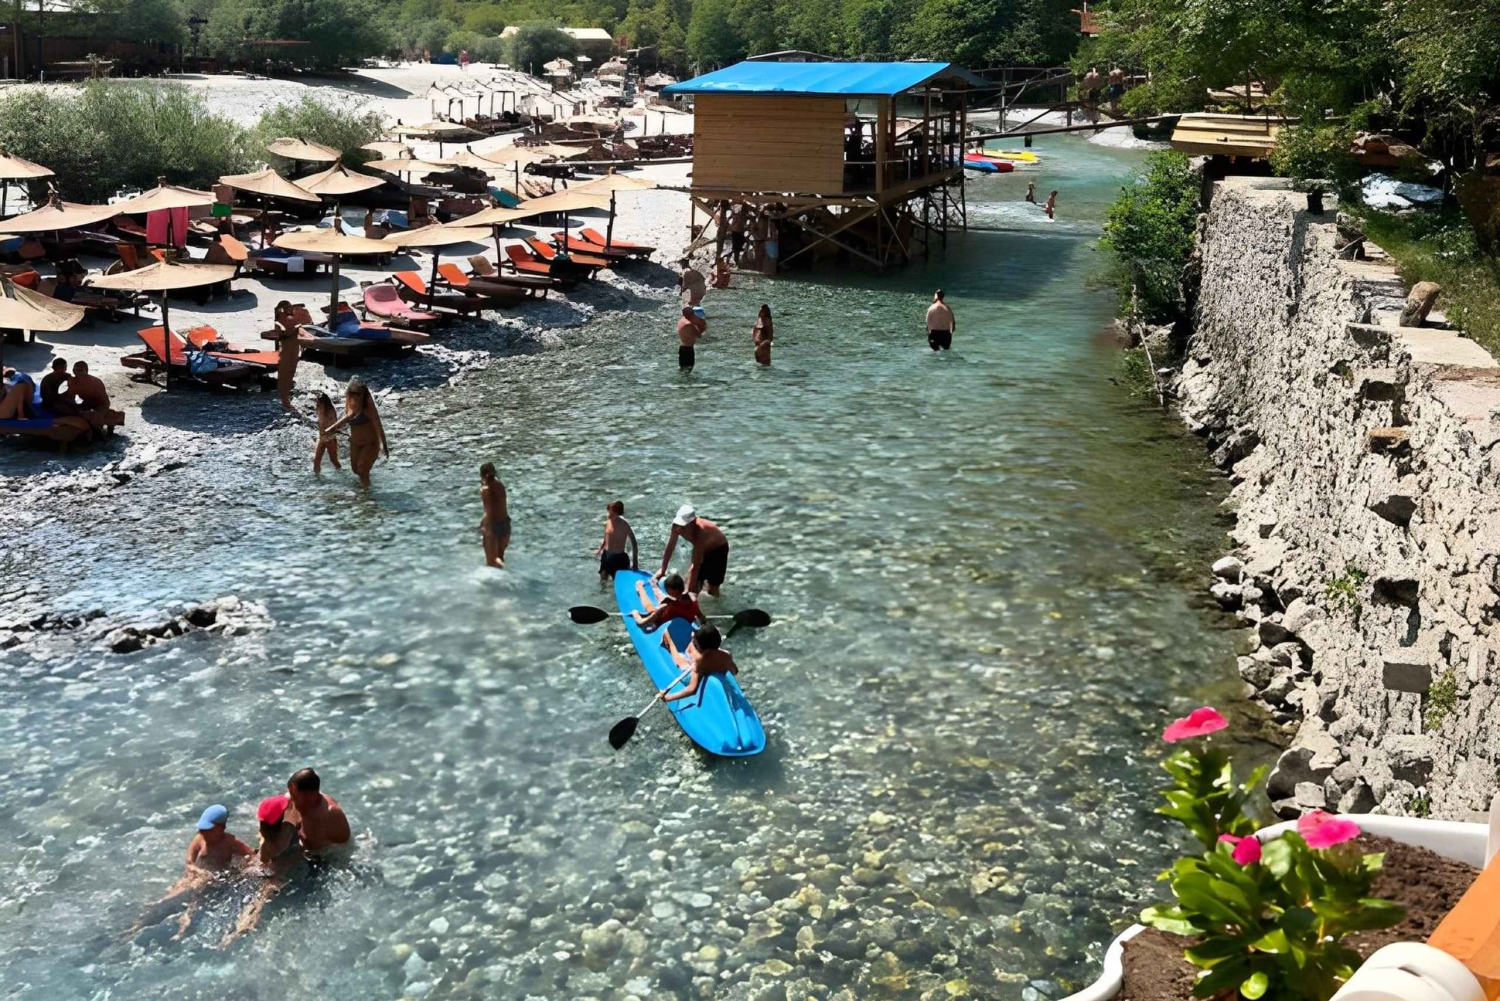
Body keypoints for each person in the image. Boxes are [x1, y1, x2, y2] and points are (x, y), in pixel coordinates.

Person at [129, 804, 253, 940]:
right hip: (194, 876)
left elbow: (251, 856)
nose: (204, 832)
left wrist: (240, 871)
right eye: (202, 829)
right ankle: (137, 925)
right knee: (168, 899)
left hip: (213, 880)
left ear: (221, 828)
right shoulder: (199, 839)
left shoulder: (230, 843)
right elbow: (189, 863)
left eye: (208, 830)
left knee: (195, 905)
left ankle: (182, 930)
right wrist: (197, 871)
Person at [219, 795, 302, 946]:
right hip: (273, 872)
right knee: (258, 904)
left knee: (249, 900)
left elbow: (263, 855)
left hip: (254, 865)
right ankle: (239, 932)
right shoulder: (286, 834)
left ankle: (231, 935)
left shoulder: (266, 837)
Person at [321, 377, 388, 488]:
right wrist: (331, 429)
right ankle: (366, 488)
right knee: (355, 470)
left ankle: (367, 499)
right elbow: (348, 417)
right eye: (352, 393)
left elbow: (378, 427)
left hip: (370, 443)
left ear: (363, 394)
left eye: (358, 394)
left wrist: (383, 446)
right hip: (355, 443)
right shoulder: (350, 405)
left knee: (362, 469)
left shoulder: (368, 408)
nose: (355, 396)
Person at [657, 504, 730, 597]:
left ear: (693, 522)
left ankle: (712, 604)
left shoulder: (700, 531)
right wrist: (663, 569)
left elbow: (696, 566)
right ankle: (693, 595)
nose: (681, 528)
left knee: (712, 587)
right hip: (701, 548)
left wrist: (689, 595)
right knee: (691, 580)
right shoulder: (676, 526)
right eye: (680, 524)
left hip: (718, 549)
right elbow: (670, 547)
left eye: (684, 526)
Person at [662, 625, 738, 703]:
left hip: (694, 669)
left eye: (695, 645)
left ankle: (669, 640)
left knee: (679, 662)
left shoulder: (700, 661)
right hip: (705, 660)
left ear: (703, 649)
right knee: (691, 643)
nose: (693, 643)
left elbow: (692, 689)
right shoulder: (726, 655)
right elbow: (735, 671)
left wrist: (668, 698)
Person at [285, 768, 351, 853]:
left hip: (326, 854)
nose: (291, 798)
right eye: (290, 792)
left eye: (294, 795)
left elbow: (313, 846)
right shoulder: (292, 798)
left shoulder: (329, 814)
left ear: (310, 795)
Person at [268, 301, 306, 412]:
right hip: (287, 352)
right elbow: (282, 334)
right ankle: (285, 401)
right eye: (288, 308)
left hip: (292, 351)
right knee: (286, 376)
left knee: (288, 375)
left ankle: (286, 400)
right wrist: (294, 329)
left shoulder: (287, 319)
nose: (290, 310)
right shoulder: (281, 321)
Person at [632, 572, 703, 629]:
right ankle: (653, 583)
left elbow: (641, 623)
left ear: (672, 591)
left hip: (664, 621)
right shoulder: (693, 601)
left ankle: (640, 587)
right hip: (682, 622)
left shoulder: (666, 606)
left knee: (650, 608)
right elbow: (700, 616)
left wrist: (635, 614)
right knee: (660, 595)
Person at [597, 499, 637, 581]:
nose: (608, 514)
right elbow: (605, 539)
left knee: (619, 581)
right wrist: (599, 550)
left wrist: (635, 563)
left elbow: (634, 544)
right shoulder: (607, 523)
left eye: (610, 511)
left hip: (619, 557)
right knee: (603, 580)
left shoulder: (624, 525)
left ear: (616, 512)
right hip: (607, 555)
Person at [479, 462, 509, 569]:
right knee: (500, 557)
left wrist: (483, 526)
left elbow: (489, 510)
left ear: (482, 475)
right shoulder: (501, 486)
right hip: (505, 524)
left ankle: (501, 579)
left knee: (491, 562)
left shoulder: (485, 490)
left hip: (492, 525)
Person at [312, 392, 341, 474]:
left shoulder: (330, 411)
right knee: (316, 461)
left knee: (334, 460)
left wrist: (329, 435)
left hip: (329, 437)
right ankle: (317, 479)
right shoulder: (319, 409)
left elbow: (333, 425)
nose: (317, 403)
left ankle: (342, 474)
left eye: (318, 401)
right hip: (322, 437)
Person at [677, 305, 706, 371]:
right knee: (689, 368)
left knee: (683, 368)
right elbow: (698, 334)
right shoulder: (689, 324)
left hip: (682, 347)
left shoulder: (682, 320)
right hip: (688, 349)